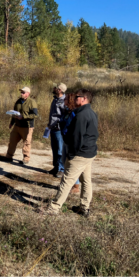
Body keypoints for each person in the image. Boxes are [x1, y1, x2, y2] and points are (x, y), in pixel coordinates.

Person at [42, 89, 98, 217]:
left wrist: (72, 154)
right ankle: (84, 208)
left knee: (67, 181)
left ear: (83, 99)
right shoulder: (92, 113)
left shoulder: (81, 115)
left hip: (80, 154)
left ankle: (54, 208)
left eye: (77, 97)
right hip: (89, 152)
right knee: (86, 180)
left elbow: (76, 137)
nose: (74, 99)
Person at [6, 87, 38, 165]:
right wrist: (11, 123)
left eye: (23, 92)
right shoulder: (18, 101)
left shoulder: (32, 102)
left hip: (27, 127)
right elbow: (14, 112)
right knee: (12, 141)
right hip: (17, 126)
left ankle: (26, 159)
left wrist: (23, 117)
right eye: (21, 92)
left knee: (26, 143)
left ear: (28, 94)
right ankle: (9, 156)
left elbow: (35, 115)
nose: (21, 94)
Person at [60, 93, 80, 194]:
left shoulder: (74, 113)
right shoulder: (67, 111)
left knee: (70, 163)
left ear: (70, 100)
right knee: (64, 162)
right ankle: (71, 183)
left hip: (70, 141)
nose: (64, 100)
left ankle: (76, 186)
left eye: (66, 99)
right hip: (65, 139)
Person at [48, 83, 67, 178]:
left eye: (56, 87)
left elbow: (66, 115)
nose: (54, 88)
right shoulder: (55, 99)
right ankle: (56, 167)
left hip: (59, 129)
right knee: (54, 149)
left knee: (60, 150)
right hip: (53, 128)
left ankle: (61, 169)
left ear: (60, 90)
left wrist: (61, 124)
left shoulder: (65, 101)